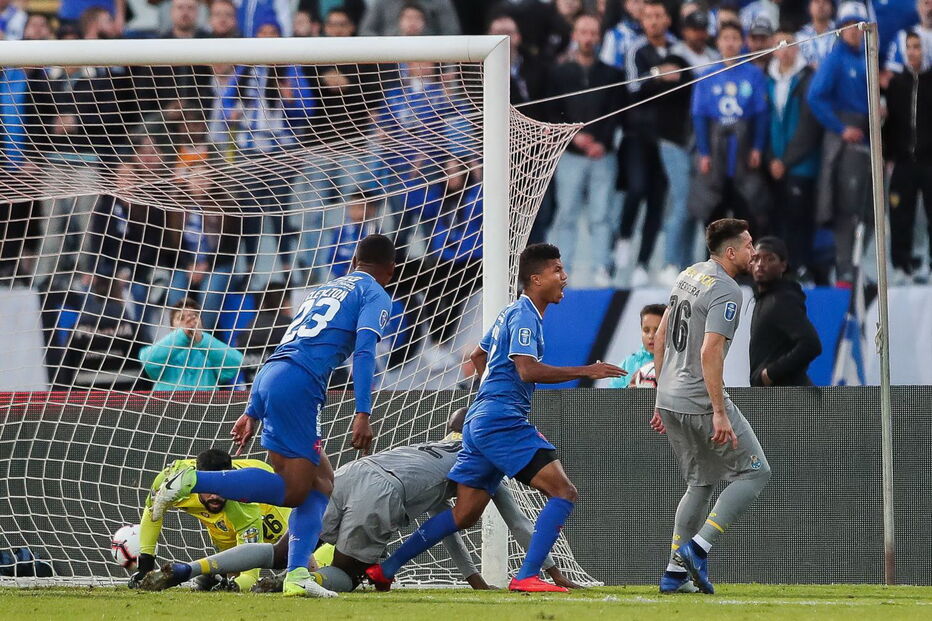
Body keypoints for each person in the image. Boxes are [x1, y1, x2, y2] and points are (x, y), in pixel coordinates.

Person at [364, 243, 624, 593]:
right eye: (557, 271)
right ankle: (528, 575)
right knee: (563, 492)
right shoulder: (525, 316)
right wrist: (587, 370)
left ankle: (387, 569)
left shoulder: (510, 313)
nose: (564, 278)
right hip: (500, 420)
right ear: (536, 278)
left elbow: (476, 354)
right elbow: (527, 370)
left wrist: (489, 396)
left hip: (480, 419)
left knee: (465, 513)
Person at [150, 234, 396, 598]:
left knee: (321, 484)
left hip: (272, 373)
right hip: (298, 384)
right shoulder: (374, 293)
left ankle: (296, 575)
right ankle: (194, 481)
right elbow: (363, 353)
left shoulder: (325, 289)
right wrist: (362, 411)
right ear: (390, 268)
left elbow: (292, 339)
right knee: (296, 489)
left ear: (354, 260)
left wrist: (252, 408)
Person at [140, 408, 580, 593]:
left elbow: (443, 522)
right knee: (349, 574)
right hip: (383, 491)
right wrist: (551, 569)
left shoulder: (432, 447)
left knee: (283, 550)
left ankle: (187, 569)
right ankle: (289, 584)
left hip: (354, 473)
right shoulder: (484, 460)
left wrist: (470, 575)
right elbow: (512, 521)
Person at [650, 218, 772, 595]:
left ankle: (674, 573)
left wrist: (660, 394)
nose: (754, 253)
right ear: (731, 252)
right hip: (701, 400)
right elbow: (709, 350)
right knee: (755, 473)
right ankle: (698, 547)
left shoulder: (688, 275)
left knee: (699, 483)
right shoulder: (726, 290)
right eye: (749, 246)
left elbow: (659, 337)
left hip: (670, 398)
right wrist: (719, 411)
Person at [129, 449, 290, 592]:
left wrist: (236, 586)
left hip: (266, 503)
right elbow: (152, 515)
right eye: (208, 488)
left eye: (219, 489)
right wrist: (145, 568)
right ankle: (220, 576)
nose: (214, 496)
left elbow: (250, 574)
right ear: (199, 480)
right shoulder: (171, 483)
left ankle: (295, 577)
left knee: (287, 551)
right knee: (231, 565)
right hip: (229, 512)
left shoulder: (244, 506)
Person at [547, 13, 626, 287]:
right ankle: (559, 270)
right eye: (583, 32)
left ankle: (602, 267)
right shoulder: (559, 73)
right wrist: (575, 138)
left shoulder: (612, 74)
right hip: (570, 155)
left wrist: (601, 142)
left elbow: (616, 114)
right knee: (566, 212)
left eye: (593, 33)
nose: (588, 38)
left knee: (601, 215)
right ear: (575, 35)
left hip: (602, 155)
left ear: (599, 37)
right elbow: (553, 113)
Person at [616, 0, 683, 287]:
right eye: (648, 17)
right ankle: (624, 236)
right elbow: (633, 88)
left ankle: (643, 262)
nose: (654, 21)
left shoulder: (678, 50)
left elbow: (682, 83)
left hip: (668, 137)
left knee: (658, 200)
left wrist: (663, 76)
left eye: (659, 16)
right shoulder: (636, 50)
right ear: (642, 21)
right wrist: (660, 75)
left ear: (667, 19)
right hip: (637, 136)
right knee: (637, 189)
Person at [807, 1, 872, 287]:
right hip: (848, 141)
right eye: (849, 26)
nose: (854, 32)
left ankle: (861, 263)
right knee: (846, 207)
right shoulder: (836, 59)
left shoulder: (867, 58)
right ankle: (844, 268)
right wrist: (840, 128)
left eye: (858, 26)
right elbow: (815, 97)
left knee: (868, 206)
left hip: (867, 137)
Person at [688, 21, 770, 233]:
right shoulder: (706, 75)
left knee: (745, 210)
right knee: (715, 213)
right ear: (718, 42)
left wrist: (757, 148)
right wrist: (703, 152)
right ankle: (714, 263)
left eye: (735, 38)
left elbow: (761, 114)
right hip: (716, 150)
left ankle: (746, 264)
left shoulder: (753, 74)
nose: (730, 43)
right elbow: (699, 117)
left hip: (742, 148)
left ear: (742, 42)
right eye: (726, 38)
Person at [766, 28, 822, 280]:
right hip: (773, 164)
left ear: (798, 47)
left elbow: (809, 126)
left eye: (788, 43)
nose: (784, 48)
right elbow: (763, 124)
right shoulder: (766, 80)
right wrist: (770, 159)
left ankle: (802, 268)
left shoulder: (808, 78)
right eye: (778, 43)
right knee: (778, 219)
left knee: (800, 218)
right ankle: (781, 270)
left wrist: (785, 161)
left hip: (801, 165)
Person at [884, 31, 932, 284]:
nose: (913, 51)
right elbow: (888, 123)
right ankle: (901, 265)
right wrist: (888, 154)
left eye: (917, 47)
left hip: (929, 160)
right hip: (903, 161)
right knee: (900, 213)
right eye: (909, 47)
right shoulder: (896, 83)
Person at [749, 237, 822, 386]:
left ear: (783, 265)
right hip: (775, 397)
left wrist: (770, 373)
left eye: (769, 259)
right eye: (756, 259)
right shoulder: (764, 299)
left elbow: (811, 343)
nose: (760, 264)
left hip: (787, 398)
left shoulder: (782, 300)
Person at [138, 298, 244, 391]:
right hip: (167, 411)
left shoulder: (211, 351)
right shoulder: (164, 352)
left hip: (205, 412)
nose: (188, 321)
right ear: (171, 328)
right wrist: (182, 334)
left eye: (194, 317)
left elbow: (236, 362)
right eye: (181, 318)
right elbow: (146, 359)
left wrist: (202, 340)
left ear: (201, 323)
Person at [609, 303, 665, 388]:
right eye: (646, 330)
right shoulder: (627, 364)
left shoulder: (679, 364)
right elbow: (609, 398)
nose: (651, 336)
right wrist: (628, 393)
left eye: (657, 330)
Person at [360, 0, 461, 36]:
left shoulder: (439, 2)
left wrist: (448, 67)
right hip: (389, 60)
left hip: (430, 59)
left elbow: (451, 33)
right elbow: (365, 32)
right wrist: (390, 42)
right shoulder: (381, 2)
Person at [884, 0, 932, 74]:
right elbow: (890, 74)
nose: (930, 8)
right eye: (926, 3)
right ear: (918, 7)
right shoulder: (902, 37)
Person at [797, 0, 836, 68]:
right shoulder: (799, 37)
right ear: (809, 7)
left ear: (832, 7)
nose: (821, 5)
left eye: (825, 2)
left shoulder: (840, 33)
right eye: (816, 2)